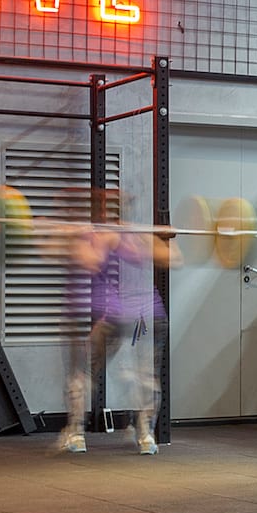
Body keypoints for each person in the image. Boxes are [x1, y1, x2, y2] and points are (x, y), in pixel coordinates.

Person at [58, 189, 178, 454]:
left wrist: (168, 238)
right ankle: (137, 434)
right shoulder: (131, 234)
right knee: (100, 372)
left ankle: (85, 432)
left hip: (137, 315)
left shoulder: (120, 234)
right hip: (128, 315)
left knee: (111, 374)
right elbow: (171, 257)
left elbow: (92, 262)